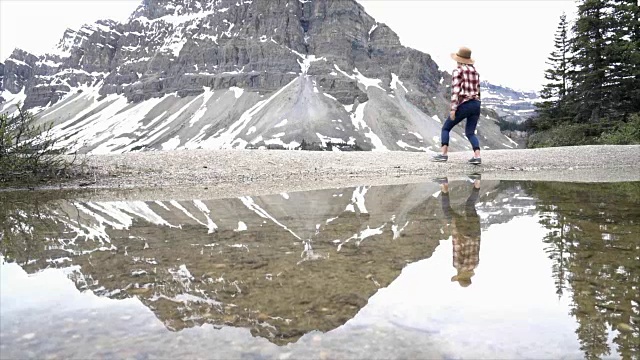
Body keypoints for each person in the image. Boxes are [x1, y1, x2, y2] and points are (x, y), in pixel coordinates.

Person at [432, 46, 482, 165]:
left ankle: (443, 154)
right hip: (476, 104)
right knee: (470, 132)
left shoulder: (458, 71)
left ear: (458, 60)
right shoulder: (475, 72)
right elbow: (478, 90)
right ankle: (477, 156)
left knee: (446, 128)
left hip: (465, 104)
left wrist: (453, 109)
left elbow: (456, 91)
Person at [437, 175, 482, 287]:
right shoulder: (458, 266)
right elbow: (457, 245)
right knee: (447, 210)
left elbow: (477, 245)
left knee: (470, 205)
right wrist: (454, 227)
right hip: (463, 233)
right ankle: (444, 185)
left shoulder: (475, 264)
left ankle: (477, 184)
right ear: (461, 275)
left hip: (475, 232)